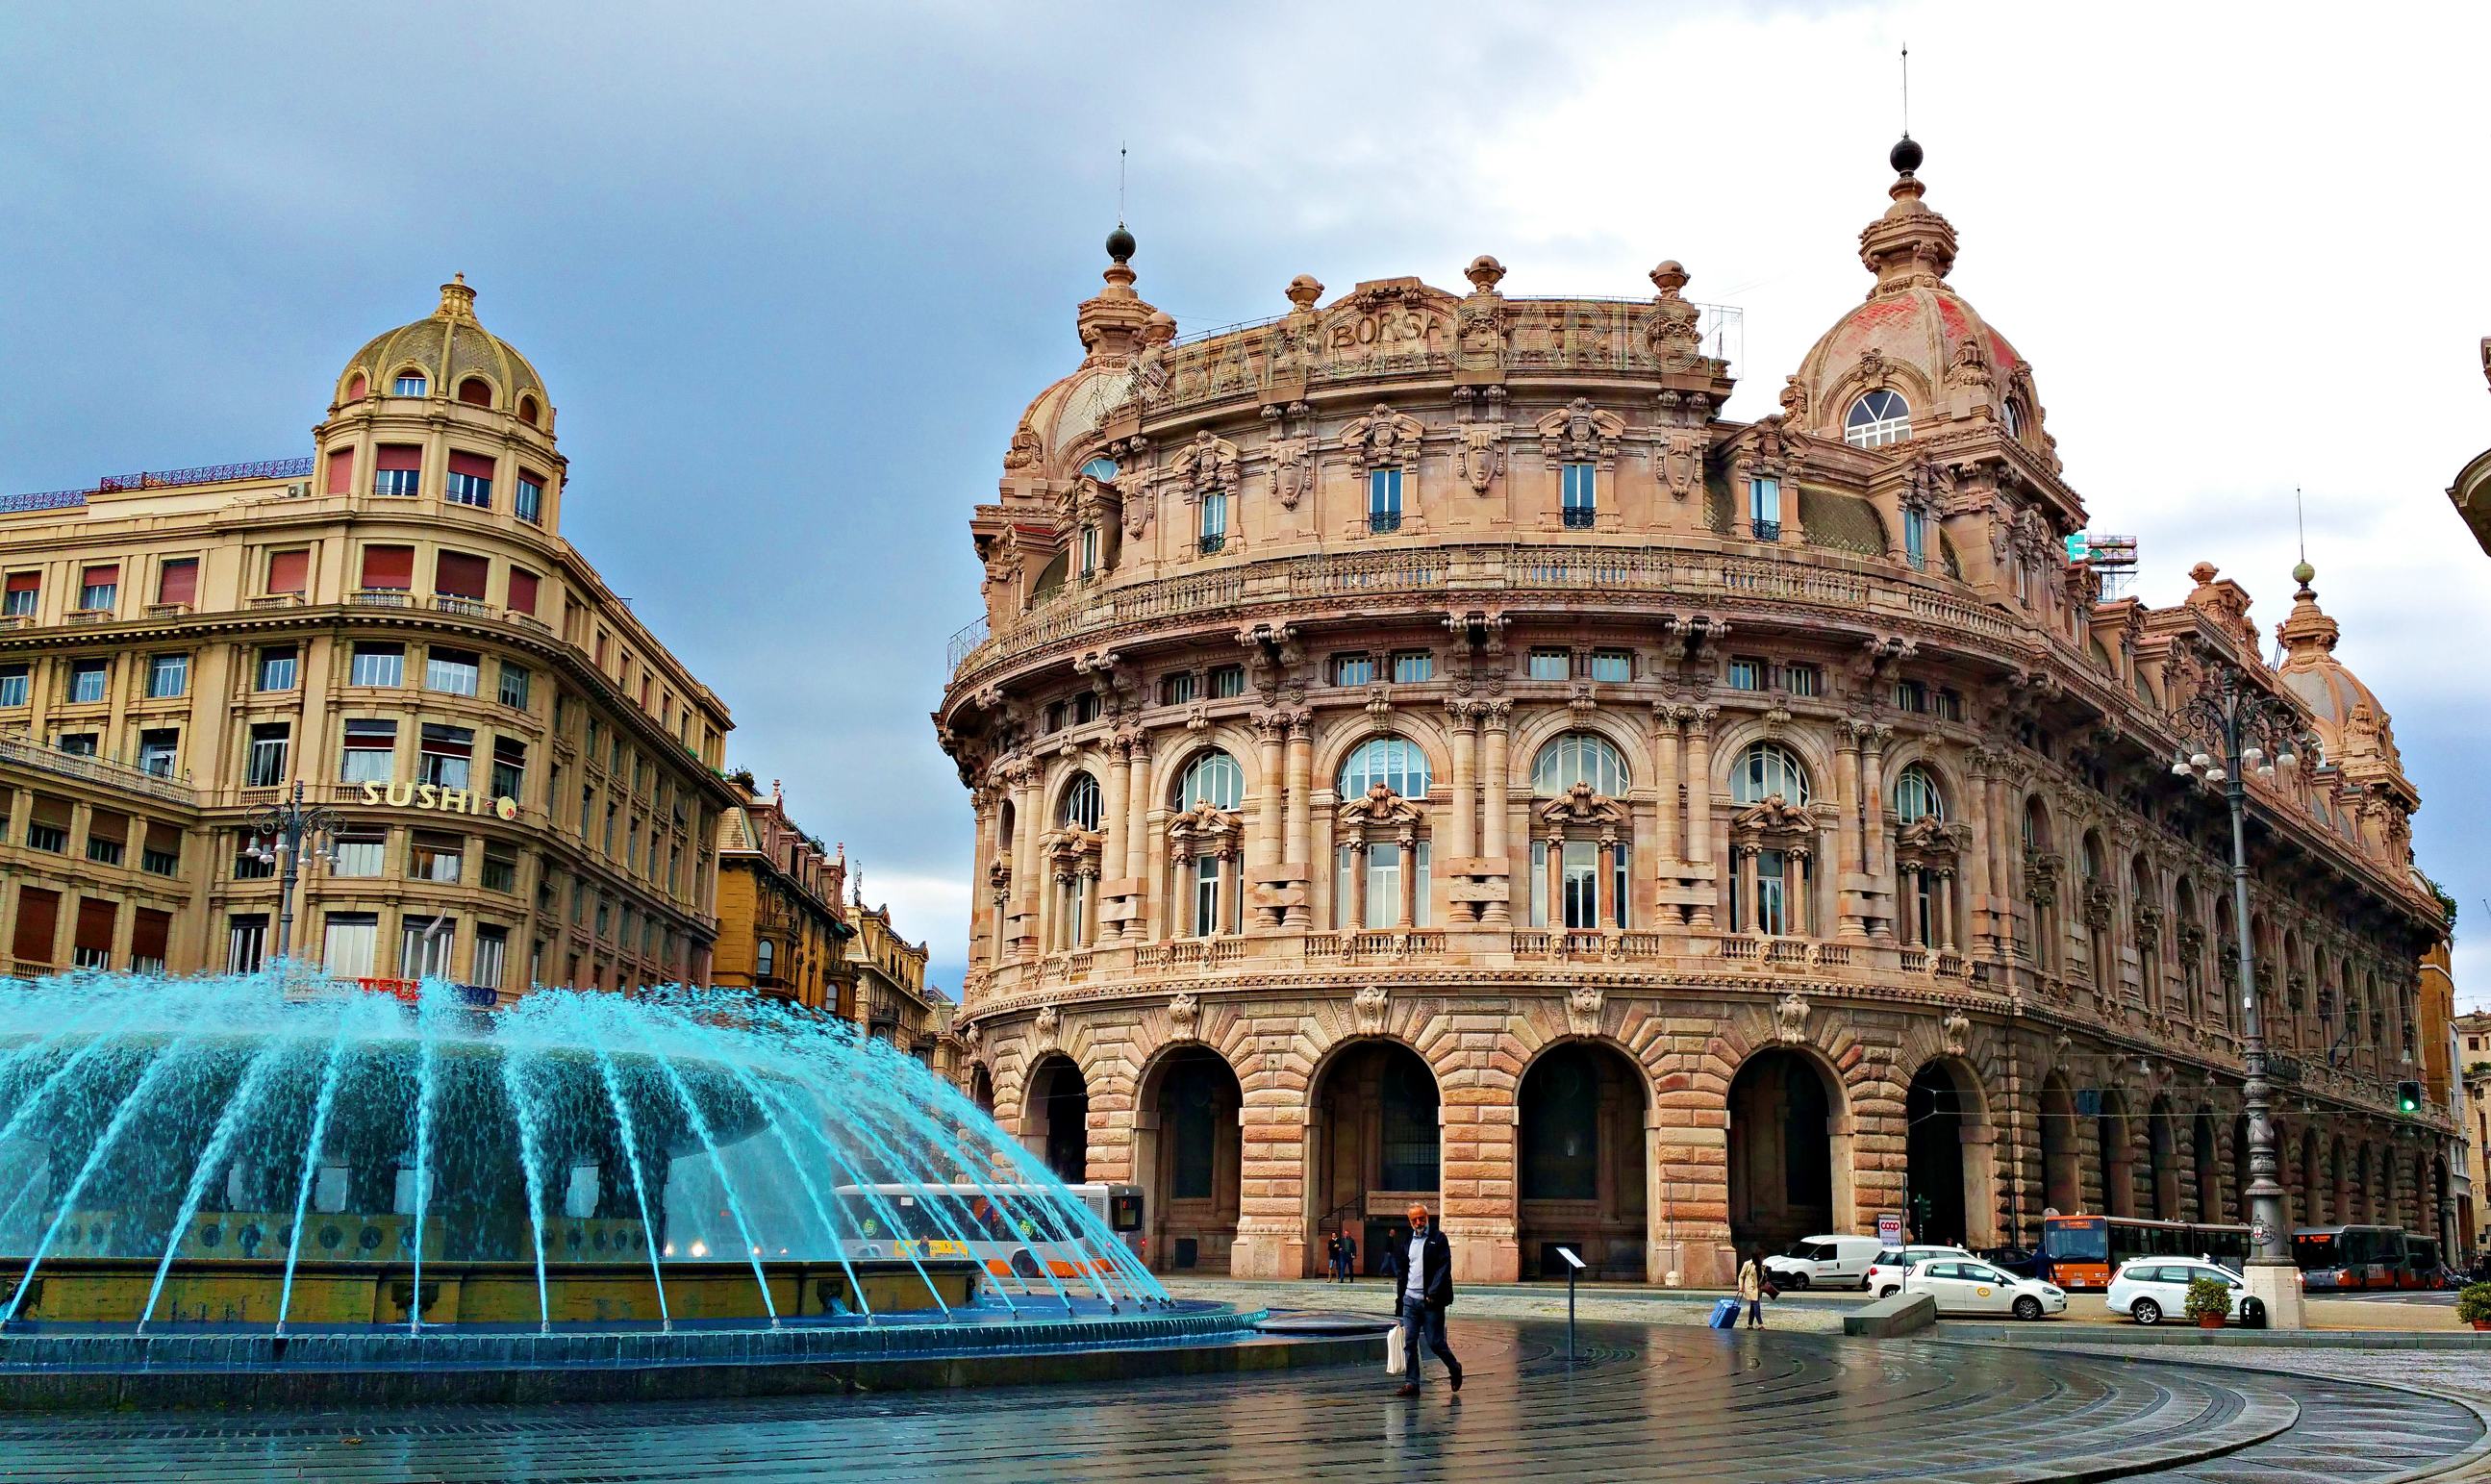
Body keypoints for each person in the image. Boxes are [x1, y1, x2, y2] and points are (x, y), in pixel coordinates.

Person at [1392, 1202, 1461, 1397]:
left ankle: (1454, 1367)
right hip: (1410, 1300)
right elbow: (1402, 1272)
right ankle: (1412, 1382)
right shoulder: (1407, 1241)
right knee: (1410, 1341)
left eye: (1421, 1218)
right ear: (1410, 1222)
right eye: (1414, 1219)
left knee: (1435, 1342)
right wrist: (1400, 1299)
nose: (1418, 1222)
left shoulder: (1438, 1239)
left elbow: (1443, 1267)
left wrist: (1432, 1292)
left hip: (1432, 1301)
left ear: (1428, 1218)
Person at [1738, 1249, 1766, 1329]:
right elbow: (1741, 1276)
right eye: (1760, 1256)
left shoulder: (1761, 1265)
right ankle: (1760, 1324)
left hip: (1758, 1288)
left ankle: (1750, 1325)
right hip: (1750, 1288)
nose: (1762, 1258)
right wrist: (1741, 1286)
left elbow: (1761, 1277)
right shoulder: (1747, 1264)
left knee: (1753, 1306)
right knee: (1756, 1304)